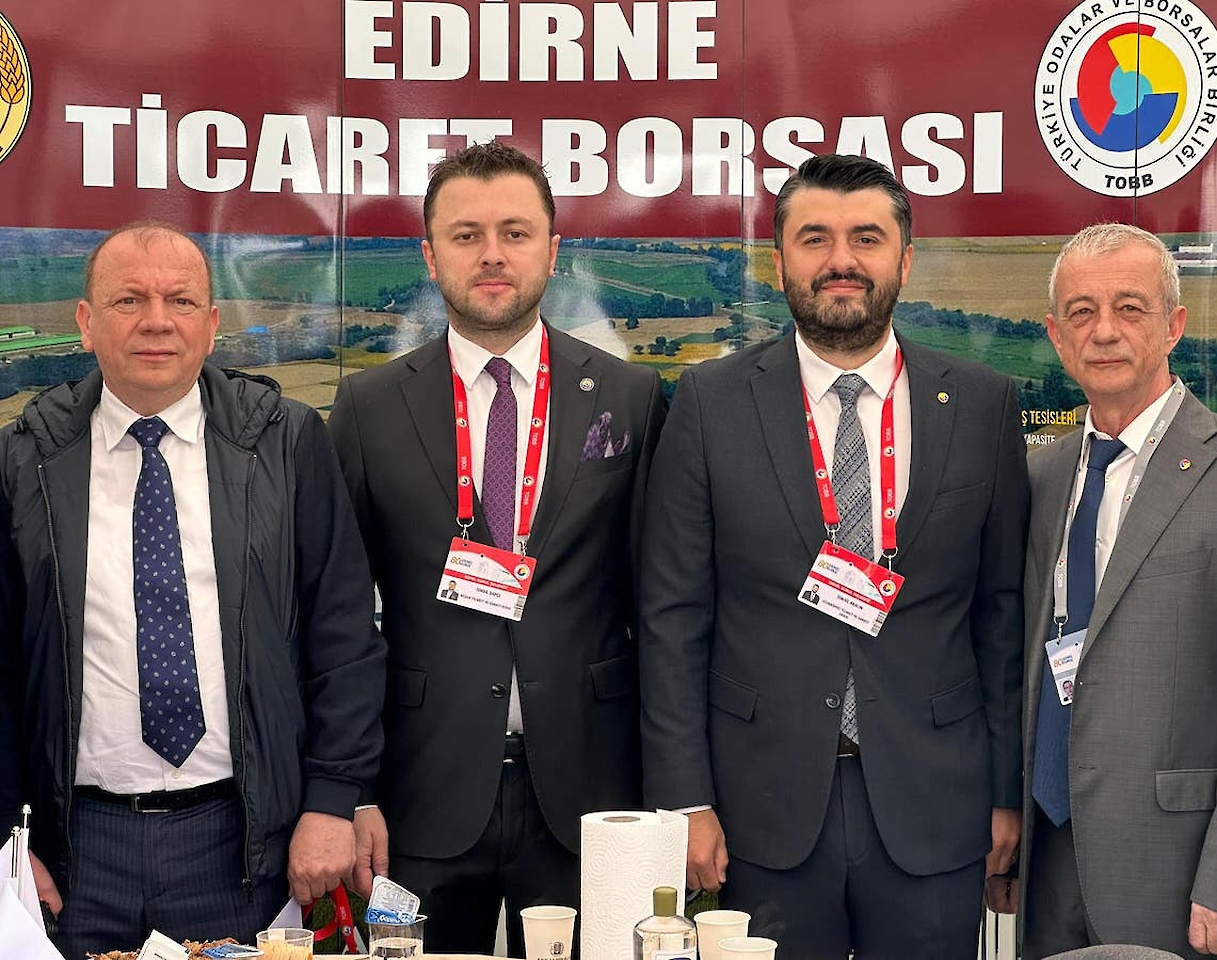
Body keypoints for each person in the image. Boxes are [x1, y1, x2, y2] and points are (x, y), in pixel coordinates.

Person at [638, 154, 1029, 959]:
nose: (841, 260)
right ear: (779, 262)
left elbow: (1000, 616)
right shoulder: (710, 403)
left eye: (866, 238)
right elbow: (672, 617)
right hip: (759, 810)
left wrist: (1004, 794)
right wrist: (684, 799)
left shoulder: (982, 404)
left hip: (936, 804)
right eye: (814, 238)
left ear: (905, 260)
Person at [0, 222, 386, 959]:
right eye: (129, 300)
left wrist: (333, 800)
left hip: (243, 847)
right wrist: (8, 842)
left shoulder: (287, 442)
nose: (156, 320)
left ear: (210, 326)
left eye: (180, 301)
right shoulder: (24, 462)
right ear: (85, 322)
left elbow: (343, 638)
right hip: (76, 856)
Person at [327, 141, 666, 957]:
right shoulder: (369, 408)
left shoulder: (631, 396)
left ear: (553, 249)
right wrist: (350, 791)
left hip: (594, 792)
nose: (491, 254)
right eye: (466, 234)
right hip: (419, 793)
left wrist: (673, 791)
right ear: (429, 255)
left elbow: (663, 605)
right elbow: (336, 620)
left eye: (515, 232)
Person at [1012, 223, 1217, 959]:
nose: (1104, 331)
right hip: (1049, 857)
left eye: (1130, 308)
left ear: (1174, 326)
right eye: (1082, 312)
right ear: (1056, 336)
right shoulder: (1040, 476)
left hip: (1181, 873)